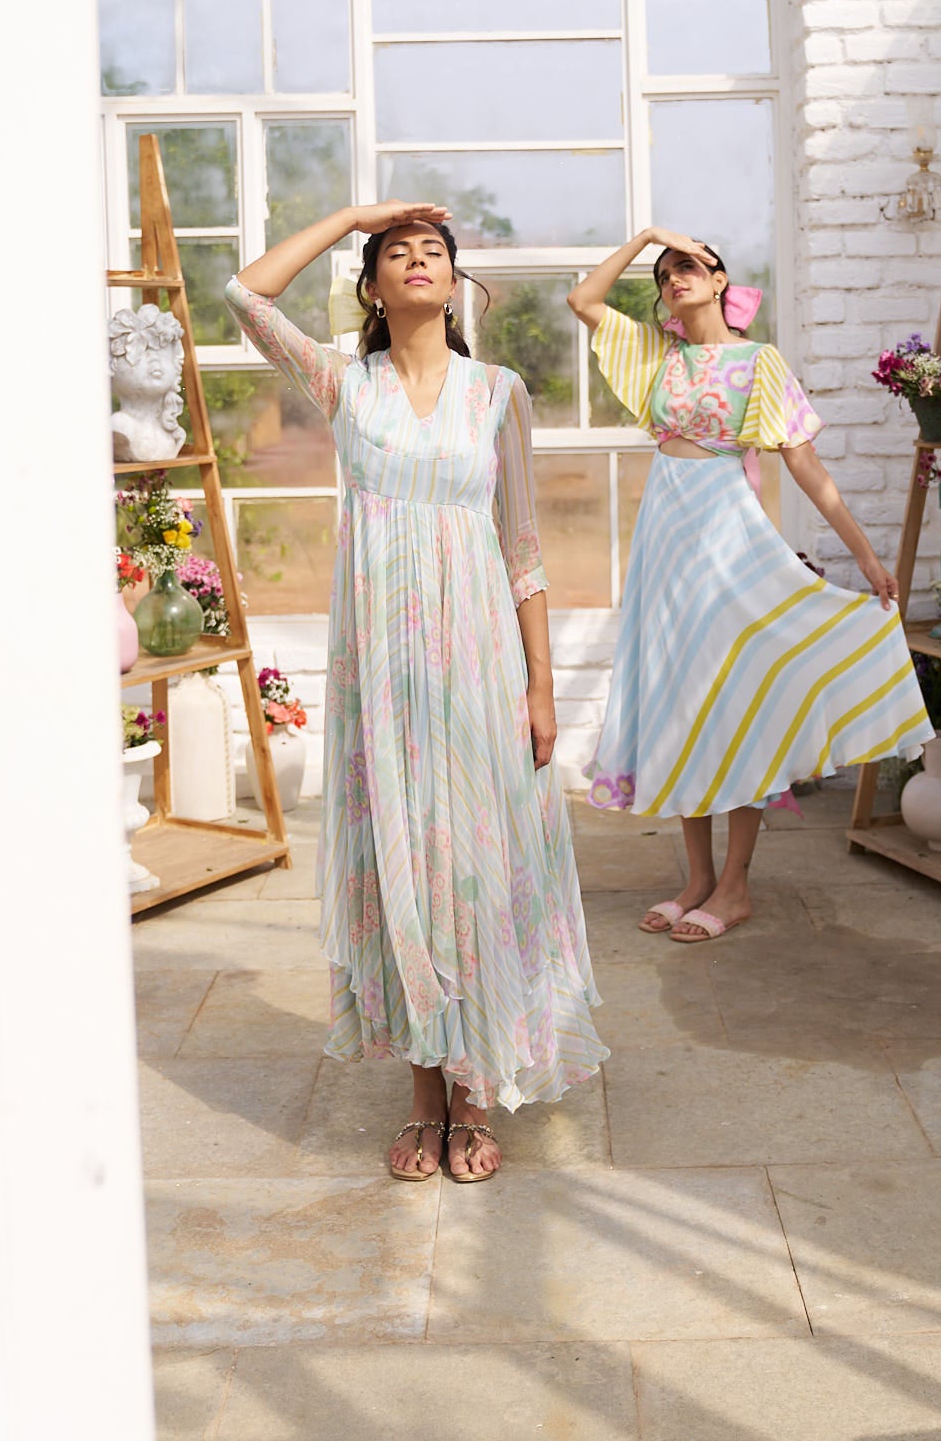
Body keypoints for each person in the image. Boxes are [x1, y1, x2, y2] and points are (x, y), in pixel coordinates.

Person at [226, 201, 605, 1182]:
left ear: (453, 281)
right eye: (397, 251)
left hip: (479, 664)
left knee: (473, 862)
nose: (418, 258)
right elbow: (246, 295)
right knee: (406, 862)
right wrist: (357, 213)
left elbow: (523, 545)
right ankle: (423, 1093)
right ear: (373, 286)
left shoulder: (498, 393)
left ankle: (473, 1089)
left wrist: (542, 688)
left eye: (433, 248)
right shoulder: (344, 384)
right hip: (382, 677)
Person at [567, 226, 931, 944]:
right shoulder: (659, 355)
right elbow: (584, 299)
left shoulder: (757, 362)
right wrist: (646, 235)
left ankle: (733, 887)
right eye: (664, 272)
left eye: (688, 266)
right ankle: (696, 880)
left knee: (737, 702)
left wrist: (864, 557)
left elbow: (805, 466)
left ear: (719, 281)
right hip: (664, 545)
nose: (674, 278)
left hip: (727, 537)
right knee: (680, 701)